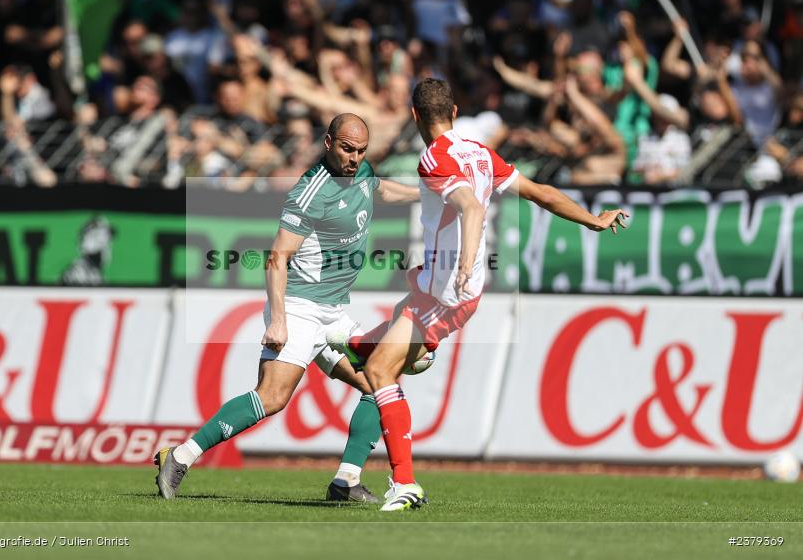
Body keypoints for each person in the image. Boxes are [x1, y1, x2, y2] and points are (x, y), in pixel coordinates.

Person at [328, 78, 629, 511]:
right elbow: (541, 193)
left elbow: (469, 207)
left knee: (379, 373)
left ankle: (405, 483)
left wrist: (467, 260)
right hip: (439, 287)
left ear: (414, 117)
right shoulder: (480, 152)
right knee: (367, 356)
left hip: (446, 292)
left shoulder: (434, 157)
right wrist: (592, 220)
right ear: (453, 112)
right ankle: (376, 351)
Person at [153, 113, 422, 502]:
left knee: (380, 383)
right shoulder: (310, 192)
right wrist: (278, 321)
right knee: (272, 397)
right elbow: (277, 258)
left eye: (361, 150)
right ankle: (180, 457)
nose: (354, 158)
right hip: (298, 308)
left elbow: (382, 191)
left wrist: (429, 192)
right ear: (328, 143)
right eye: (347, 149)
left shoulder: (362, 171)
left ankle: (345, 482)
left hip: (333, 312)